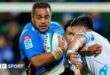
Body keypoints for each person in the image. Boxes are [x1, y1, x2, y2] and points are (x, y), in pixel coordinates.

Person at [19, 2, 67, 75]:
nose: (43, 21)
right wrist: (59, 50)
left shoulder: (56, 26)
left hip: (61, 70)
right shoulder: (28, 35)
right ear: (32, 17)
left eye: (46, 17)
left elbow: (65, 43)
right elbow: (36, 62)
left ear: (51, 16)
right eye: (39, 17)